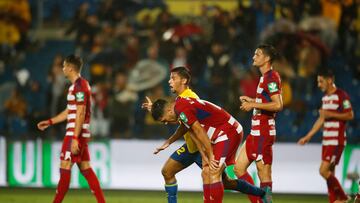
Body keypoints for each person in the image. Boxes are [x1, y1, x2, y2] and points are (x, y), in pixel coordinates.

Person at [142, 66, 266, 203]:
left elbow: (197, 131)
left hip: (216, 137)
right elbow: (184, 124)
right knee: (169, 171)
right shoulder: (178, 101)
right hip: (195, 145)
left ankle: (260, 195)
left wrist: (208, 155)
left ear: (183, 81)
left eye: (173, 78)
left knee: (215, 175)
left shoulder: (188, 98)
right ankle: (261, 193)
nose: (169, 81)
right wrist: (156, 110)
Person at [37, 55, 105, 203]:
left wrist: (74, 138)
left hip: (75, 133)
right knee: (85, 168)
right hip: (79, 132)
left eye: (64, 66)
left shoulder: (80, 86)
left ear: (70, 68)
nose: (62, 69)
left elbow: (80, 112)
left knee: (65, 166)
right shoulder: (77, 86)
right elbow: (70, 111)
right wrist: (50, 122)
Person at [236, 44, 284, 203]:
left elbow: (278, 105)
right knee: (238, 169)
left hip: (264, 133)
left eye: (257, 54)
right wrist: (252, 101)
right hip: (255, 132)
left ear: (267, 58)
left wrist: (253, 105)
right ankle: (257, 201)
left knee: (264, 175)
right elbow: (267, 102)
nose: (253, 57)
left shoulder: (271, 77)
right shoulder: (264, 78)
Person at [298, 69, 354, 203]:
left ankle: (343, 197)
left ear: (330, 80)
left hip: (336, 140)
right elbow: (321, 119)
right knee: (330, 174)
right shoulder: (325, 98)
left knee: (323, 171)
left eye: (321, 81)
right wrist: (308, 136)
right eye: (318, 81)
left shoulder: (341, 95)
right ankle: (334, 200)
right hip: (327, 140)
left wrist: (330, 114)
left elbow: (350, 115)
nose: (318, 84)